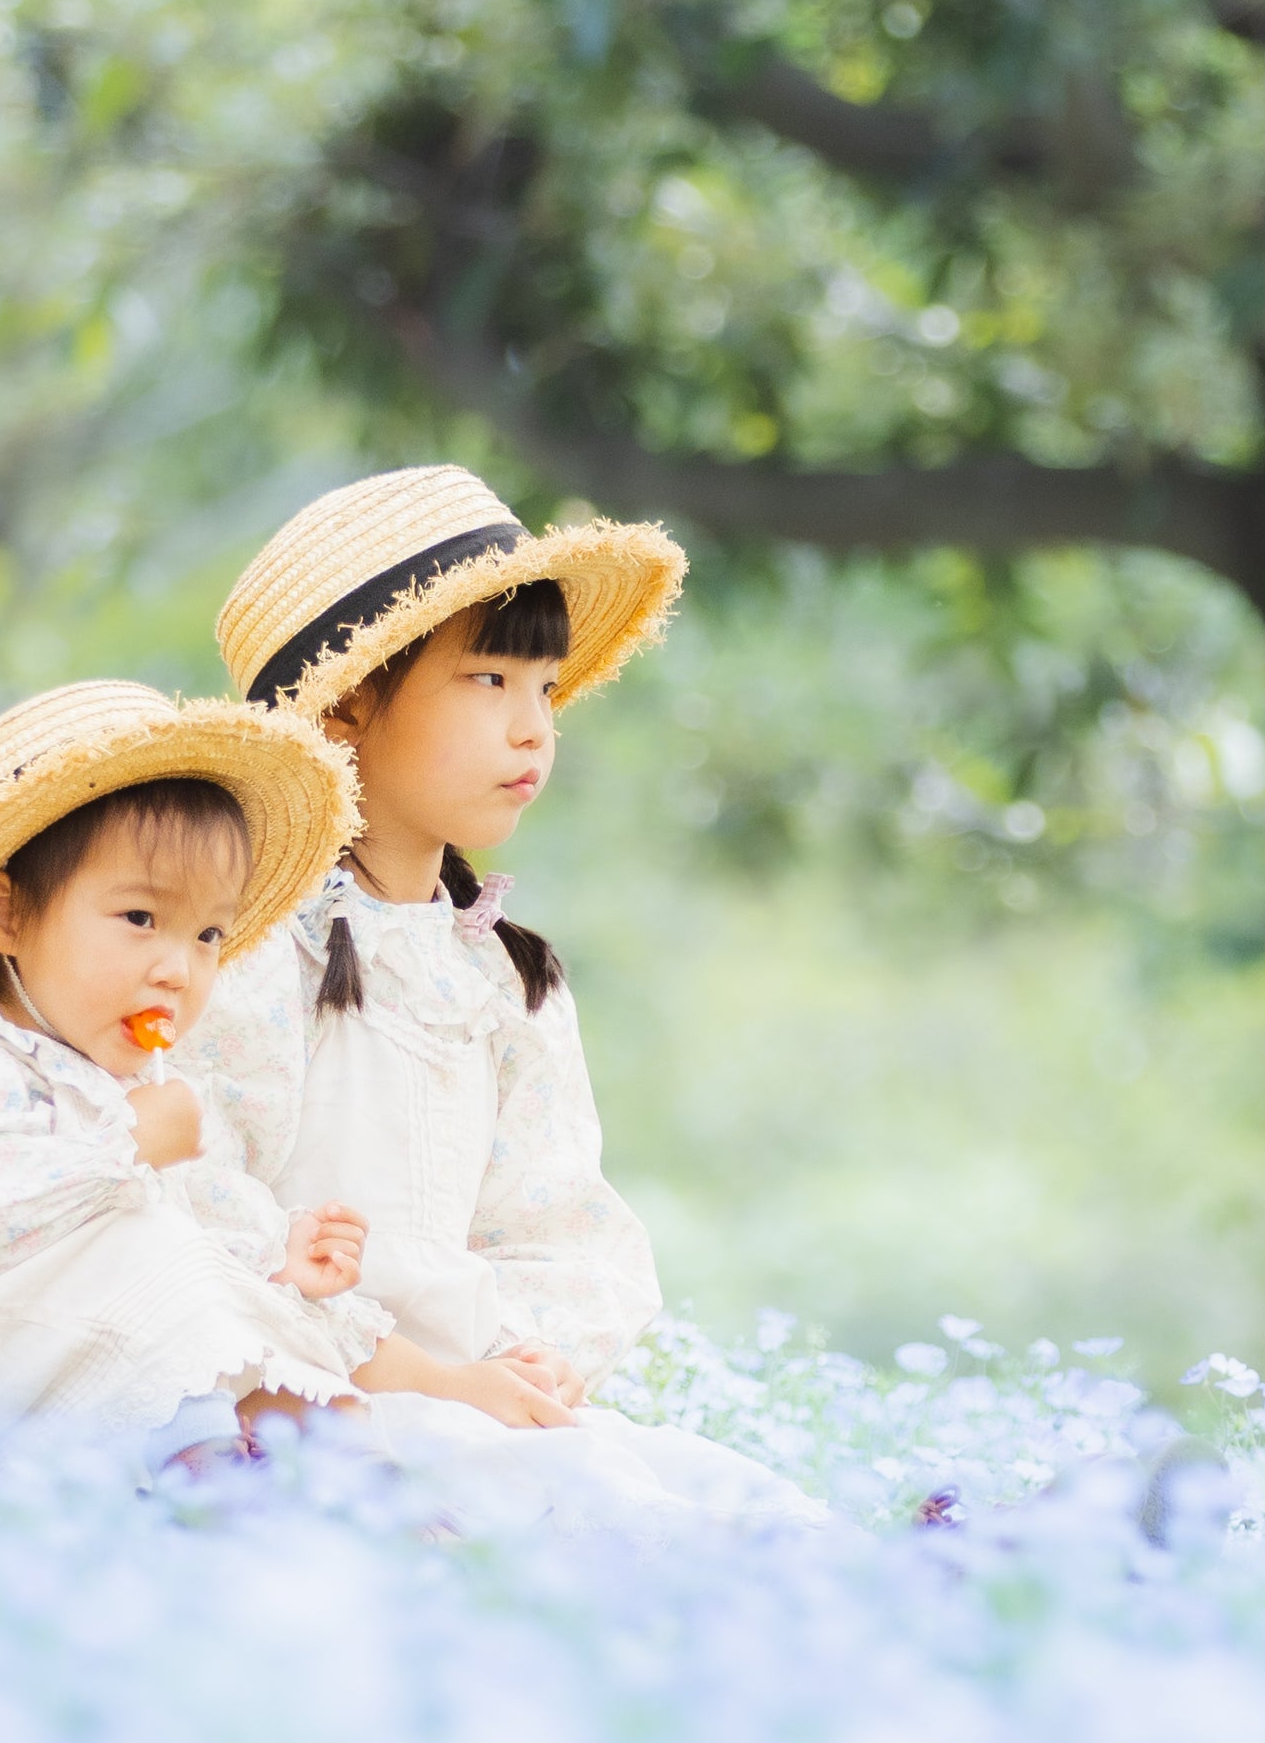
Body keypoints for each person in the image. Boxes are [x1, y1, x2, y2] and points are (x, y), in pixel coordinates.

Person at [182, 465, 812, 1526]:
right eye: (488, 680)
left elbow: (560, 1220)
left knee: (739, 1499)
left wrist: (538, 1356)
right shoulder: (243, 956)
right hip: (315, 1407)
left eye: (546, 689)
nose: (533, 730)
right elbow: (199, 1203)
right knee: (610, 1515)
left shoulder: (502, 976)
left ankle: (1010, 1561)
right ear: (347, 705)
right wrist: (391, 1363)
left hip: (476, 1397)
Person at [0, 679, 582, 1477]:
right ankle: (229, 1489)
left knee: (233, 1291)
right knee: (155, 1250)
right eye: (139, 920)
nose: (176, 971)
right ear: (6, 916)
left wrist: (283, 1266)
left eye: (207, 935)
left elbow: (220, 1250)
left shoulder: (126, 1081)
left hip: (100, 1392)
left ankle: (353, 1502)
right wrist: (126, 1143)